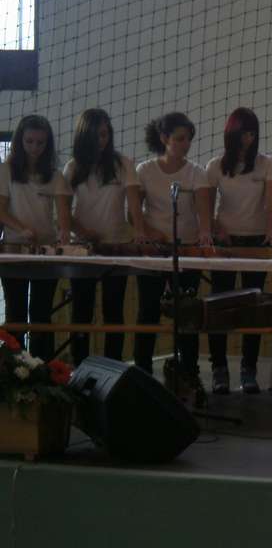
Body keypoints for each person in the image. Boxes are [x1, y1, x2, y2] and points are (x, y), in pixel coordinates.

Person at [131, 112, 212, 391]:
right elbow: (134, 214)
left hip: (186, 249)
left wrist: (205, 234)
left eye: (188, 139)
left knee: (187, 311)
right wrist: (150, 234)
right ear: (164, 138)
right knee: (148, 310)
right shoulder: (144, 171)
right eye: (179, 139)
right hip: (154, 251)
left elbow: (204, 214)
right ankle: (141, 371)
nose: (185, 144)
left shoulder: (197, 173)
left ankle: (189, 369)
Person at [203, 107, 272, 395]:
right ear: (231, 134)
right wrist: (215, 229)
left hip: (256, 243)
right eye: (243, 134)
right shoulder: (215, 166)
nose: (248, 139)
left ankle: (249, 370)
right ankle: (219, 368)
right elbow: (205, 207)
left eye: (252, 134)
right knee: (219, 306)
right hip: (225, 245)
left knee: (253, 308)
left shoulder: (267, 165)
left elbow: (271, 203)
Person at [62, 108, 138, 364]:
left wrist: (140, 234)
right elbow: (63, 213)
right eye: (95, 135)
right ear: (84, 137)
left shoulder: (123, 164)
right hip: (84, 250)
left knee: (114, 312)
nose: (101, 141)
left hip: (117, 247)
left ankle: (113, 367)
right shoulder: (72, 167)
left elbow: (134, 208)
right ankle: (79, 366)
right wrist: (84, 232)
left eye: (105, 134)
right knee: (81, 312)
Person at [0, 115, 72, 358]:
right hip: (13, 250)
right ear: (19, 141)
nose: (34, 148)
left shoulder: (55, 175)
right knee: (16, 313)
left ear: (48, 144)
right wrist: (21, 229)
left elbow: (63, 215)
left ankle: (45, 368)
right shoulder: (6, 170)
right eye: (29, 141)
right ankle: (15, 368)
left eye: (40, 143)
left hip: (45, 252)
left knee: (41, 314)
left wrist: (64, 232)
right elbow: (1, 210)